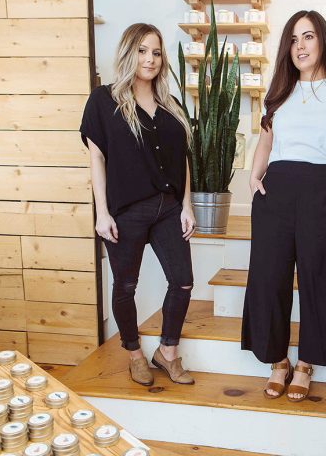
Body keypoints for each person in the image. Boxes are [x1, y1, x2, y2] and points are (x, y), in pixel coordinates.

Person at [241, 10, 326, 402]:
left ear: (323, 42)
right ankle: (278, 361)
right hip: (276, 190)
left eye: (309, 36)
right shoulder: (280, 91)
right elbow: (266, 141)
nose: (300, 45)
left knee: (320, 277)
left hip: (322, 190)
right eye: (294, 39)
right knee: (269, 277)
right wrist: (254, 176)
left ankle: (306, 363)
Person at [80, 23, 196, 387]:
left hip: (168, 208)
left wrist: (187, 206)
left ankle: (168, 353)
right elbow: (96, 158)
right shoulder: (104, 99)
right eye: (143, 50)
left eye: (157, 52)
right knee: (125, 286)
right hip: (126, 211)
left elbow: (184, 161)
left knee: (182, 282)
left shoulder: (171, 104)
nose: (150, 59)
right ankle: (134, 355)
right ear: (130, 52)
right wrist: (101, 213)